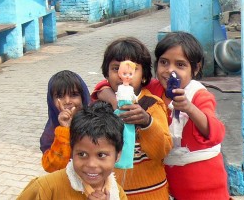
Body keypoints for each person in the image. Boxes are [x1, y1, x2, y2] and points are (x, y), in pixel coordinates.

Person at [147, 32, 229, 199]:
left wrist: (189, 108)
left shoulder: (198, 96)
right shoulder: (153, 89)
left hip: (206, 188)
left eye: (180, 65)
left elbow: (215, 133)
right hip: (172, 186)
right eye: (164, 62)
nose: (170, 71)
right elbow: (121, 82)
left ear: (195, 68)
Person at [91, 37, 172, 199]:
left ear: (144, 76)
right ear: (106, 74)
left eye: (132, 70)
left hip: (151, 193)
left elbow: (162, 151)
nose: (123, 76)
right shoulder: (100, 107)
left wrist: (147, 123)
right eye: (116, 69)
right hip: (111, 193)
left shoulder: (152, 105)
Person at [18, 101, 127, 200]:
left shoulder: (117, 194)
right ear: (72, 151)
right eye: (82, 154)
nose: (91, 164)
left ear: (117, 155)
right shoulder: (46, 187)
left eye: (101, 155)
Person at [40, 70, 90, 172]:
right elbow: (51, 167)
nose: (67, 101)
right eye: (59, 96)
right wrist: (64, 130)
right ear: (51, 101)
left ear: (83, 97)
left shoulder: (96, 122)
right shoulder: (50, 133)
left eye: (74, 95)